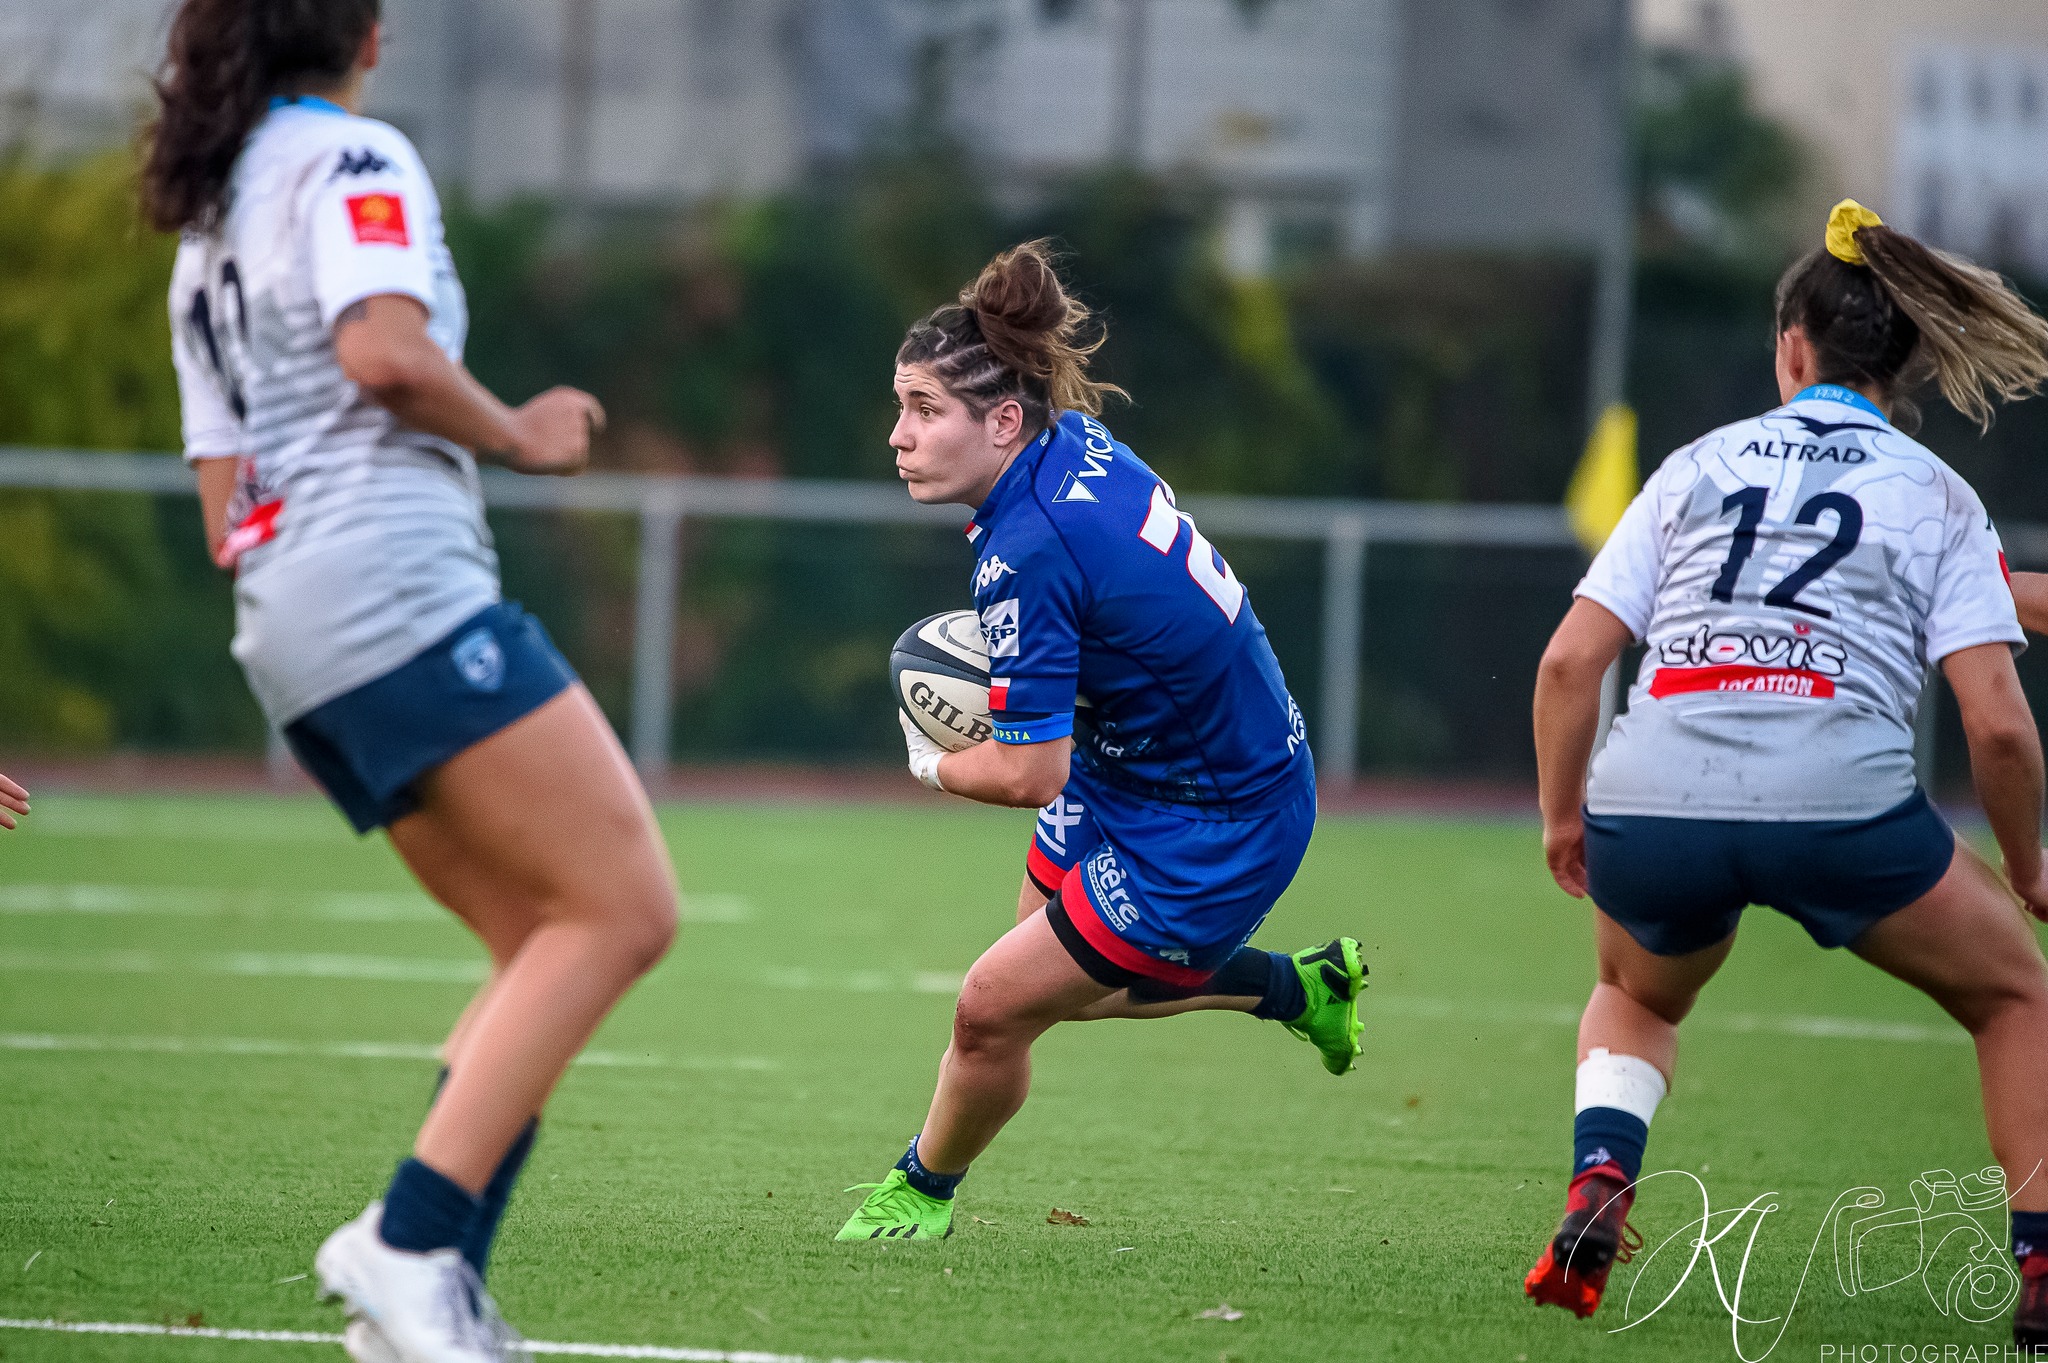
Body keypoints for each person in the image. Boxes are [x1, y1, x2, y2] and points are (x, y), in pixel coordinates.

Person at [145, 3, 677, 1359]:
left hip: (290, 623)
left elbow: (225, 508)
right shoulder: (353, 162)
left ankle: (428, 1294)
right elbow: (383, 354)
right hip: (388, 589)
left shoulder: (210, 226)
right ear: (366, 36)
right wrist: (521, 434)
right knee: (623, 909)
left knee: (537, 943)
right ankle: (407, 1236)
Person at [1525, 200, 2048, 1345]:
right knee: (2013, 994)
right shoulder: (1935, 495)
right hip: (1836, 801)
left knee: (1633, 992)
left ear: (1791, 349)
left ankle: (1598, 1183)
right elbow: (1997, 727)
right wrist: (2027, 866)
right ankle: (2043, 1256)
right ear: (1904, 361)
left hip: (1653, 795)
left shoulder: (1691, 467)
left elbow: (1570, 663)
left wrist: (1567, 818)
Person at [836, 241, 1367, 1242]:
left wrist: (930, 764)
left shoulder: (1026, 548)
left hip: (1219, 815)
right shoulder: (1069, 438)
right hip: (1143, 759)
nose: (897, 436)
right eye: (900, 405)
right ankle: (1299, 984)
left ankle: (919, 1189)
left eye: (922, 408)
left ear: (1000, 420)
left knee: (993, 1005)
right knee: (1046, 965)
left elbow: (1030, 772)